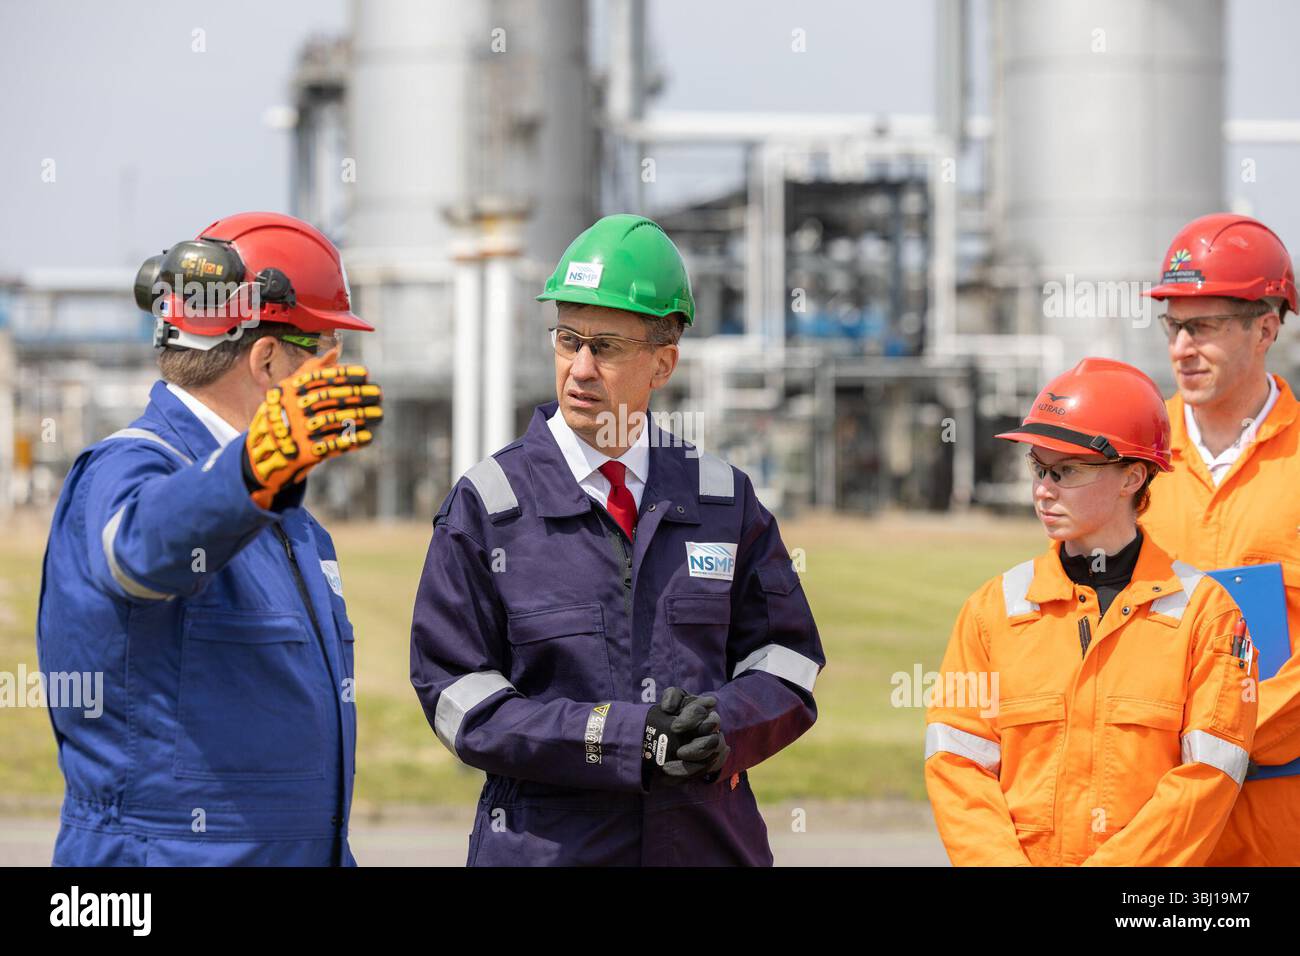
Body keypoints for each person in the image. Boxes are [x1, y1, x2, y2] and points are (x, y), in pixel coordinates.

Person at [409, 213, 825, 865]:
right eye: (566, 339)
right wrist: (621, 736)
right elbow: (456, 698)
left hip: (704, 847)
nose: (579, 369)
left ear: (663, 362)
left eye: (604, 347)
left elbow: (787, 664)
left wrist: (724, 731)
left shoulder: (722, 500)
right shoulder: (490, 507)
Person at [37, 211, 384, 865]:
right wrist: (256, 464)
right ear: (269, 358)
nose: (338, 366)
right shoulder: (126, 471)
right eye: (326, 344)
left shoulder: (288, 517)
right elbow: (141, 548)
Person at [925, 357, 1257, 866]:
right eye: (1039, 467)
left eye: (1067, 471)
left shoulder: (1208, 615)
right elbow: (957, 764)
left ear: (1133, 477)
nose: (1043, 489)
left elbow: (1205, 781)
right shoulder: (992, 612)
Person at [1140, 212, 1300, 865]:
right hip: (1155, 810)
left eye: (1202, 327)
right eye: (1173, 326)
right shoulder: (1132, 455)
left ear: (1265, 328)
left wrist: (1222, 733)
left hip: (1278, 809)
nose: (1180, 347)